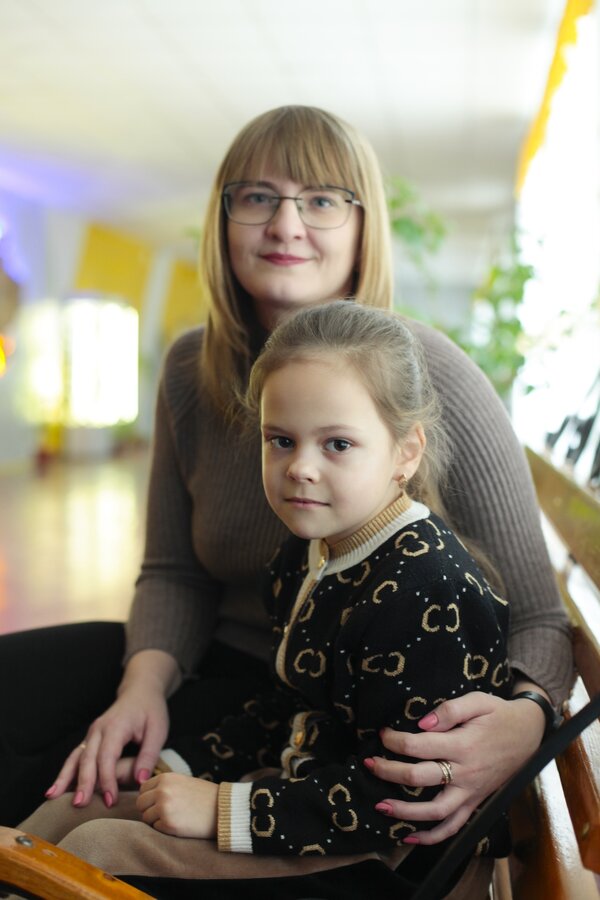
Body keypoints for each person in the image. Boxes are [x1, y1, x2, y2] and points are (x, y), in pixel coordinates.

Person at [0, 106, 572, 843]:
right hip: (228, 672)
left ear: (364, 225)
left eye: (323, 200)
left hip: (349, 709)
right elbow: (175, 570)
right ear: (224, 217)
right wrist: (142, 686)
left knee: (80, 811)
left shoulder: (434, 379)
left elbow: (537, 615)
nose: (286, 225)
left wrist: (527, 720)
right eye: (258, 197)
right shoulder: (188, 369)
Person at [19, 302, 512, 899]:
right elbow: (286, 707)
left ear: (405, 452)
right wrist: (175, 766)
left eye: (337, 444)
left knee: (96, 851)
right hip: (304, 799)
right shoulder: (307, 553)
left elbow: (404, 800)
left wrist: (226, 809)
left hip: (387, 856)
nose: (300, 467)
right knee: (58, 823)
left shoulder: (425, 588)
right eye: (281, 440)